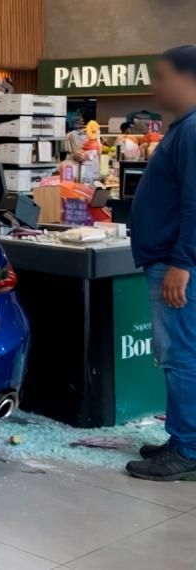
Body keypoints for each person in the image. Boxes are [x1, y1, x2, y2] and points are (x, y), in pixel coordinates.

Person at [127, 45, 196, 481]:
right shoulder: (182, 128)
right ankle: (182, 437)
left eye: (161, 76)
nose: (155, 86)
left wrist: (181, 262)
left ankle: (188, 450)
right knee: (179, 355)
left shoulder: (191, 131)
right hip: (171, 259)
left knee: (181, 356)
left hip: (177, 265)